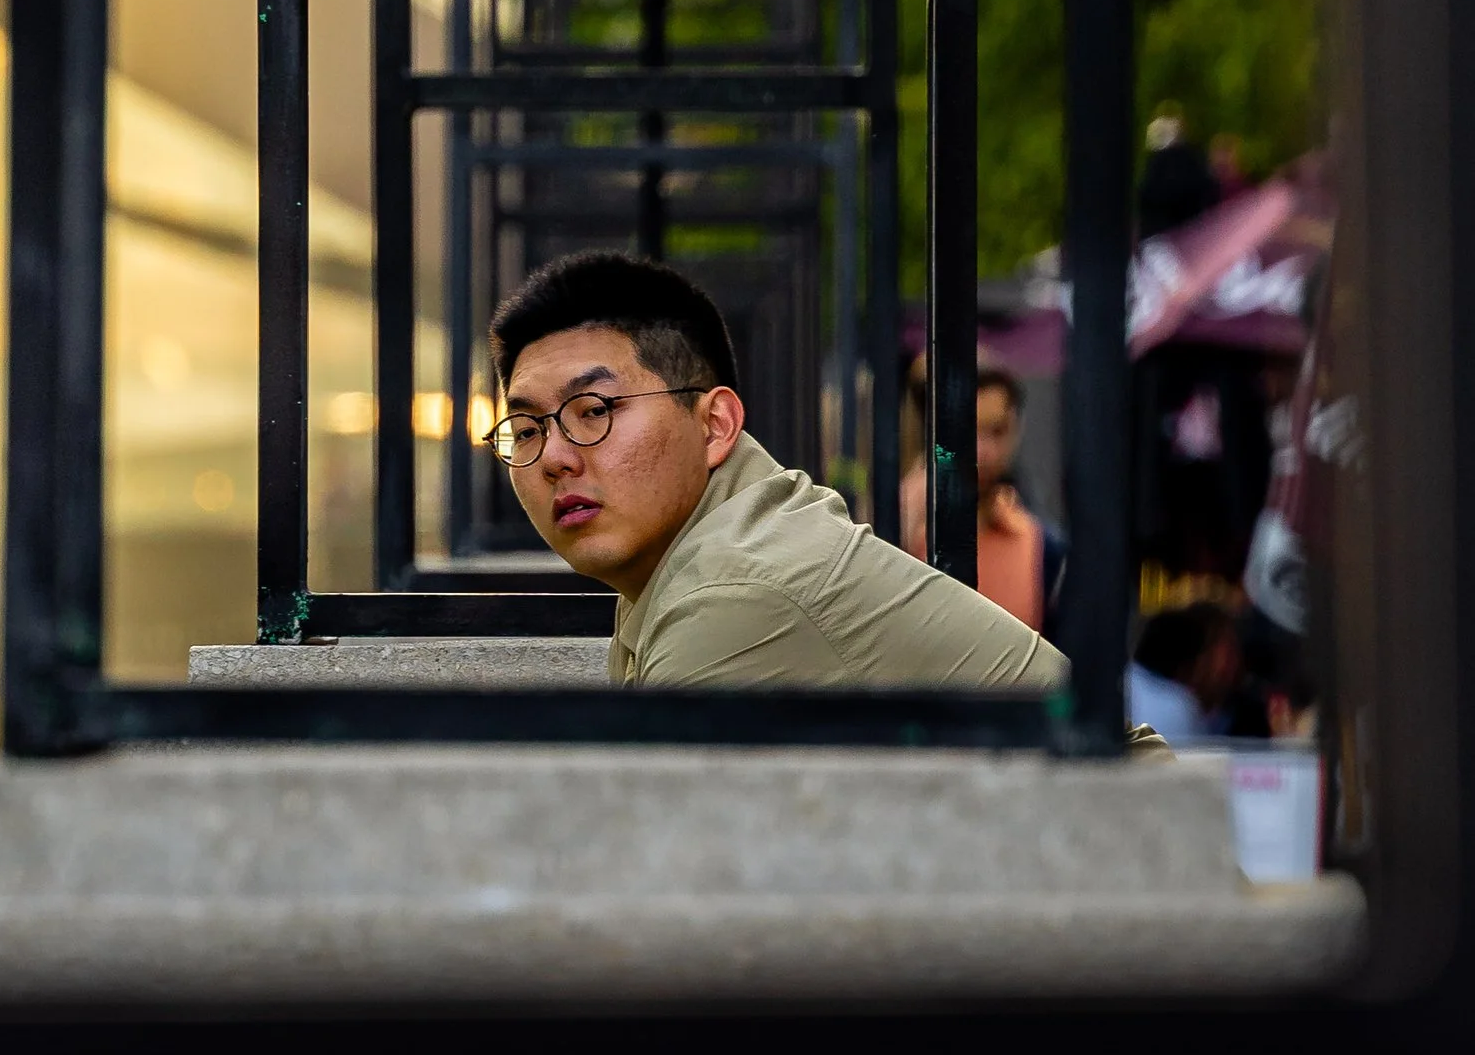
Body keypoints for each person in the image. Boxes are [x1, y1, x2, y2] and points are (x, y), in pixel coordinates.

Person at [490, 248, 1066, 696]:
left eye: (593, 412)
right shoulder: (703, 553)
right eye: (527, 430)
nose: (555, 457)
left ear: (715, 425)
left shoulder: (735, 593)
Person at [899, 360, 1069, 634]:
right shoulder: (898, 526)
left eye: (997, 430)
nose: (984, 450)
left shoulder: (1039, 545)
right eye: (969, 430)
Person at [1126, 601, 1243, 742]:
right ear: (1195, 662)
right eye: (1227, 651)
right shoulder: (1174, 708)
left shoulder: (1244, 714)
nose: (1235, 661)